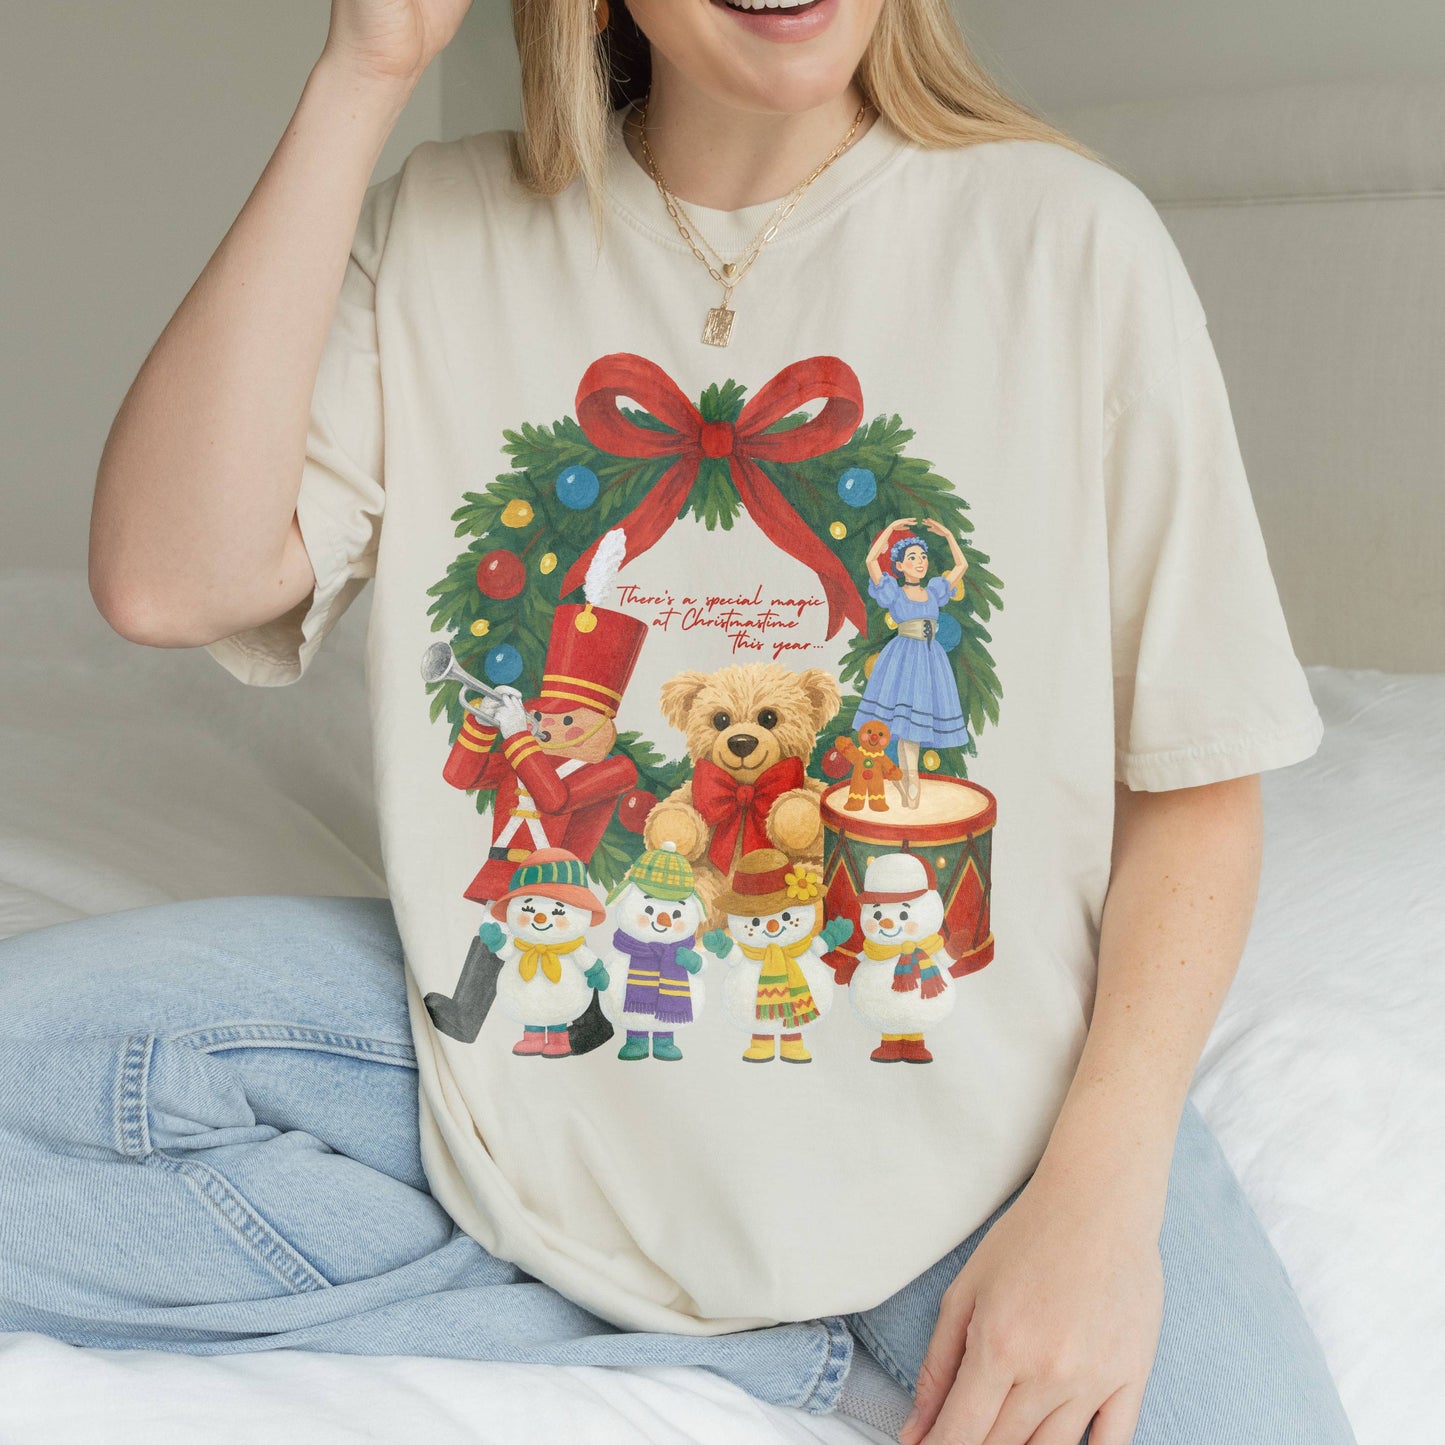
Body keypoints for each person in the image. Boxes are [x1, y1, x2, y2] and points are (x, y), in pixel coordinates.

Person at [2, 1, 1359, 1442]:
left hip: (981, 1127)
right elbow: (170, 579)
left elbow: (1194, 780)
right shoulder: (446, 230)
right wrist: (365, 70)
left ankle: (667, 1319)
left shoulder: (1069, 243)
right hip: (522, 1070)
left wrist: (1098, 1196)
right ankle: (757, 1358)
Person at [853, 517, 972, 808]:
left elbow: (962, 565)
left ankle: (910, 780)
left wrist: (947, 534)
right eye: (912, 558)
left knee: (914, 727)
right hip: (903, 659)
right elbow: (871, 561)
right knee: (903, 726)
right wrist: (890, 529)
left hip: (930, 660)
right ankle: (909, 779)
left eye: (922, 557)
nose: (920, 562)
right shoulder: (894, 592)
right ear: (900, 566)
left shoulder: (934, 591)